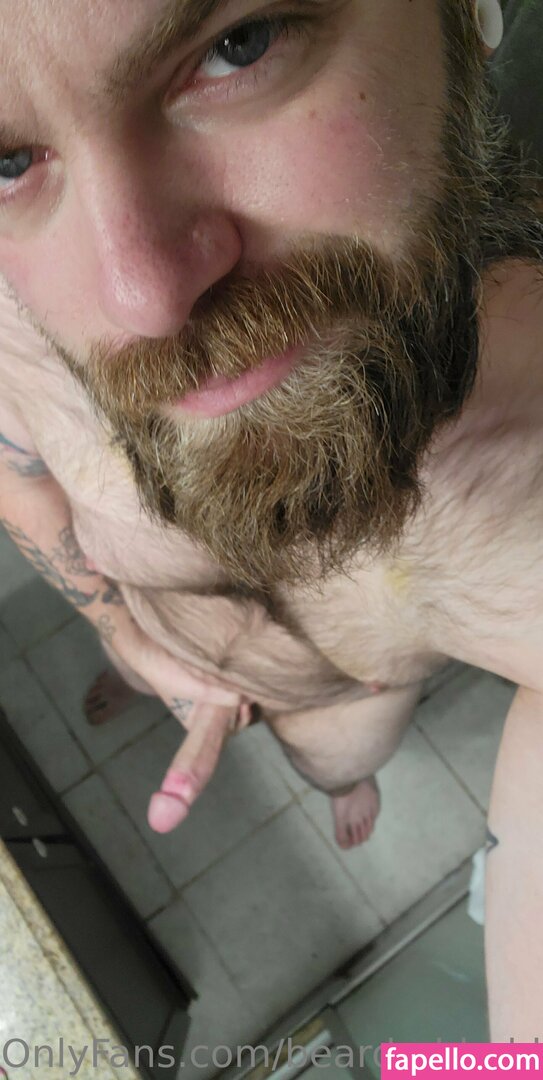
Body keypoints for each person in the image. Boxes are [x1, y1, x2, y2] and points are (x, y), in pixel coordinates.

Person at [0, 0, 542, 1038]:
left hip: (337, 698)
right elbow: (20, 474)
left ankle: (343, 785)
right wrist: (118, 627)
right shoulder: (15, 313)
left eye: (235, 46)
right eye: (8, 162)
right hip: (165, 636)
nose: (143, 297)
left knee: (339, 762)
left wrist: (460, 1065)